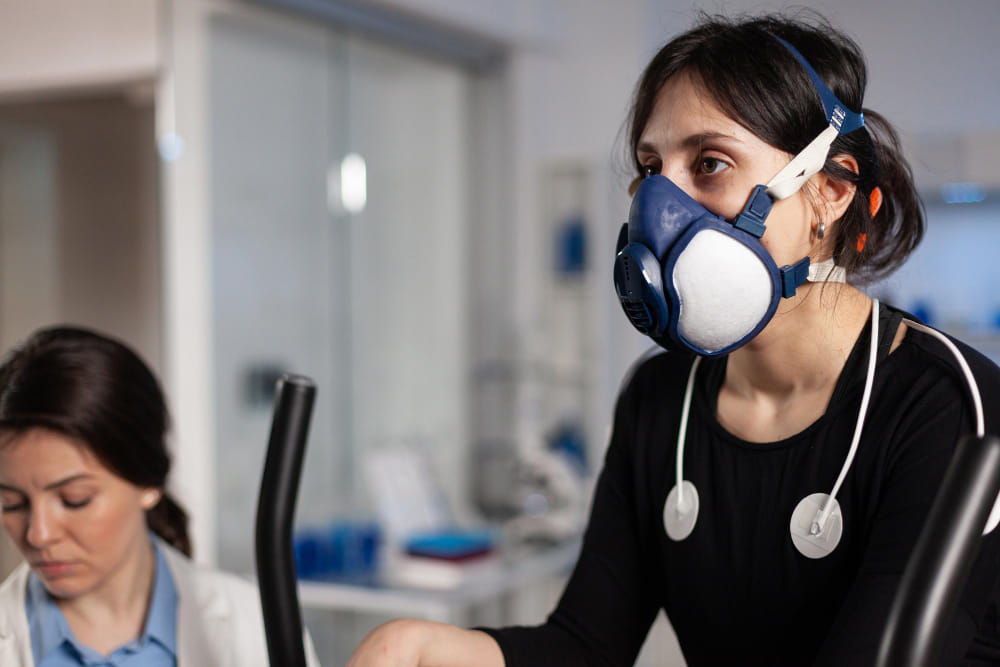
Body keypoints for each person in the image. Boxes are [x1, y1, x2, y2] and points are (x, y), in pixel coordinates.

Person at [346, 12, 1000, 667]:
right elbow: (585, 645)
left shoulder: (952, 406)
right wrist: (424, 646)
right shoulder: (661, 399)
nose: (661, 207)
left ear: (828, 192)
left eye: (710, 163)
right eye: (651, 169)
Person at [0, 326, 321, 666]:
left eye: (74, 498)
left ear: (148, 482)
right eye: (11, 503)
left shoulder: (251, 624)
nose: (39, 534)